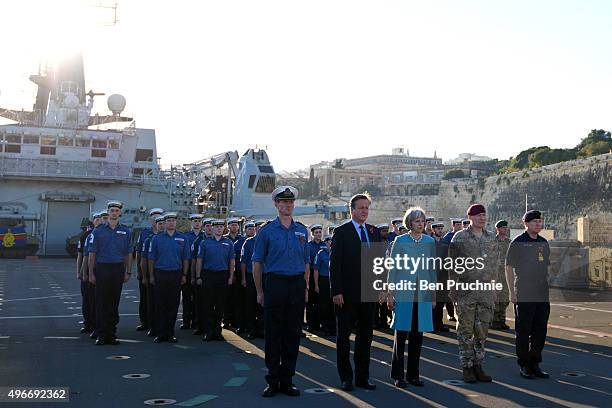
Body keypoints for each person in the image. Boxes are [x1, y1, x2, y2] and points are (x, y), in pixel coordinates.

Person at [252, 186, 309, 398]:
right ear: (276, 204)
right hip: (275, 283)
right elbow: (257, 263)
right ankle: (272, 379)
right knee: (273, 333)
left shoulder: (302, 230)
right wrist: (259, 291)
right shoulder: (266, 231)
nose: (287, 205)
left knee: (293, 334)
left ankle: (288, 380)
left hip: (296, 284)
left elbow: (306, 263)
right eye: (283, 202)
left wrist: (306, 287)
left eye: (291, 202)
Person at [330, 193, 382, 392]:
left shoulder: (374, 232)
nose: (364, 211)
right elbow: (335, 264)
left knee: (365, 338)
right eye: (361, 208)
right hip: (346, 295)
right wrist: (337, 291)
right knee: (343, 338)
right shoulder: (341, 232)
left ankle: (363, 376)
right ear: (352, 210)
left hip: (368, 294)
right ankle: (346, 377)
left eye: (367, 208)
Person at [448, 204, 499, 383]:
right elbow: (451, 265)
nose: (482, 218)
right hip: (465, 291)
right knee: (465, 330)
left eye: (484, 215)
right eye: (478, 216)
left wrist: (494, 288)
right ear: (470, 217)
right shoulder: (460, 237)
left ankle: (479, 365)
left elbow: (495, 265)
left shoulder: (491, 237)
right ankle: (467, 367)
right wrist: (452, 289)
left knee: (482, 331)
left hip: (485, 291)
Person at [387, 207, 436, 388]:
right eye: (417, 221)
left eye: (422, 221)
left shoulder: (430, 241)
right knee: (401, 334)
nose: (421, 224)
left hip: (422, 293)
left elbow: (431, 270)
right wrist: (390, 293)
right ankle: (398, 375)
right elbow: (393, 269)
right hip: (403, 292)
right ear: (409, 223)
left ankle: (414, 375)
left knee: (417, 335)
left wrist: (433, 294)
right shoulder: (400, 241)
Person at [506, 210, 551, 380]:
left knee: (540, 328)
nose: (538, 224)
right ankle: (524, 364)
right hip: (524, 289)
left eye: (540, 221)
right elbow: (509, 267)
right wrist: (511, 291)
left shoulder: (543, 242)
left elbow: (547, 266)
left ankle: (535, 363)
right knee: (524, 329)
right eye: (534, 222)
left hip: (541, 291)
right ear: (526, 224)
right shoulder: (518, 242)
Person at [88, 201, 132, 346]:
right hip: (102, 268)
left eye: (116, 211)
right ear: (108, 212)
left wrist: (128, 271)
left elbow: (128, 254)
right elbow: (92, 254)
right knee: (101, 302)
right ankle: (101, 334)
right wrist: (91, 274)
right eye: (111, 210)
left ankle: (111, 334)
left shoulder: (126, 231)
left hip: (117, 269)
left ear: (119, 213)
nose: (114, 213)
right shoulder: (98, 231)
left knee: (114, 303)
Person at [148, 213, 190, 343]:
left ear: (176, 222)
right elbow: (151, 258)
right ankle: (161, 333)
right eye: (169, 221)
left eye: (173, 220)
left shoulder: (182, 238)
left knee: (173, 304)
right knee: (160, 304)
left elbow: (186, 258)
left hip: (176, 274)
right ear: (164, 223)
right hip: (160, 273)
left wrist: (184, 274)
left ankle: (170, 333)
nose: (171, 223)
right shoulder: (157, 238)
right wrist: (151, 275)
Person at [196, 219, 235, 341]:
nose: (219, 229)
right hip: (208, 275)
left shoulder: (229, 243)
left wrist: (231, 277)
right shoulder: (205, 243)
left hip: (222, 275)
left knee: (220, 305)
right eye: (216, 227)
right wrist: (198, 276)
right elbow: (199, 261)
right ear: (211, 229)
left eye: (221, 227)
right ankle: (208, 331)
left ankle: (218, 331)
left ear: (223, 229)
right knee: (207, 304)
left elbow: (231, 262)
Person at [135, 208, 164, 332]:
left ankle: (158, 322)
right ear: (151, 220)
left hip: (161, 271)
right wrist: (139, 272)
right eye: (154, 218)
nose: (156, 220)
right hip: (146, 271)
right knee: (145, 298)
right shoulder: (144, 233)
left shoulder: (166, 234)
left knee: (159, 299)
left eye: (159, 218)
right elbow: (139, 254)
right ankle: (145, 322)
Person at [240, 221, 262, 339]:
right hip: (250, 275)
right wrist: (243, 278)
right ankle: (251, 329)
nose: (258, 230)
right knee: (251, 304)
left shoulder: (267, 241)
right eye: (257, 228)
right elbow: (243, 262)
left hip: (264, 276)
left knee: (263, 305)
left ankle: (261, 329)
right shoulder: (248, 242)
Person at [181, 214, 203, 331]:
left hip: (199, 270)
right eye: (195, 221)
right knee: (186, 296)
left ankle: (196, 321)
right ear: (191, 223)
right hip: (188, 268)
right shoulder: (185, 237)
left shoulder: (204, 236)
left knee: (198, 297)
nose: (197, 223)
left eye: (199, 221)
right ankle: (186, 321)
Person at [224, 218, 246, 334]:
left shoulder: (242, 240)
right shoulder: (224, 239)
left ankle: (236, 321)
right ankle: (226, 320)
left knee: (237, 298)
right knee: (226, 297)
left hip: (238, 272)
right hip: (225, 271)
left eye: (236, 225)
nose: (234, 227)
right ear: (228, 227)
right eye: (232, 225)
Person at [76, 213, 96, 334]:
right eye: (97, 219)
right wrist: (80, 272)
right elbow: (81, 256)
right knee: (87, 299)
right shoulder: (85, 236)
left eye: (102, 219)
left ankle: (98, 324)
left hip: (101, 272)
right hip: (87, 273)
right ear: (93, 221)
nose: (99, 221)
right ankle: (88, 323)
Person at [491, 220, 511, 330]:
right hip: (495, 274)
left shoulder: (509, 242)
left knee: (504, 298)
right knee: (495, 298)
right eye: (503, 227)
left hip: (506, 274)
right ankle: (494, 320)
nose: (505, 229)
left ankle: (502, 320)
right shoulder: (492, 241)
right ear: (497, 229)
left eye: (506, 227)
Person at [431, 221, 450, 332]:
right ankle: (431, 324)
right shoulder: (429, 241)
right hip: (432, 276)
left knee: (440, 302)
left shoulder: (444, 243)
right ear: (433, 230)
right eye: (438, 228)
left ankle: (439, 323)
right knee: (432, 302)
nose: (440, 230)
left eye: (441, 228)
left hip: (443, 276)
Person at [442, 218, 462, 322]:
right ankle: (451, 314)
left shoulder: (464, 236)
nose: (459, 226)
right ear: (453, 225)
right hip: (451, 269)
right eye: (457, 224)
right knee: (450, 293)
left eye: (460, 224)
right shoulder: (448, 238)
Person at [313, 236, 334, 336]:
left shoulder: (336, 252)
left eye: (331, 241)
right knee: (324, 304)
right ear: (325, 243)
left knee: (332, 304)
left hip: (333, 280)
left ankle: (333, 327)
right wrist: (316, 284)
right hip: (324, 280)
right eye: (328, 242)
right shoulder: (320, 253)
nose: (330, 243)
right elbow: (316, 270)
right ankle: (325, 327)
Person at [306, 224, 325, 333]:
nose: (318, 234)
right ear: (312, 234)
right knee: (311, 301)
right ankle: (311, 324)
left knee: (321, 301)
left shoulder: (324, 245)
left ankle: (320, 323)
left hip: (321, 275)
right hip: (311, 274)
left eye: (320, 232)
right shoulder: (309, 246)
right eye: (316, 232)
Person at [374, 223, 391, 330]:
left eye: (386, 230)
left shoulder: (389, 244)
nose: (385, 233)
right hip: (377, 273)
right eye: (383, 231)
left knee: (385, 297)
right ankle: (375, 321)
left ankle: (384, 321)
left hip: (387, 273)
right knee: (376, 299)